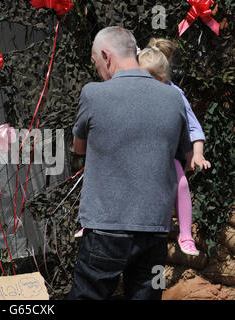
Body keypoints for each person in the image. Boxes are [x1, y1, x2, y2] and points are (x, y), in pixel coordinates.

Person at [68, 26, 192, 300]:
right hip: (156, 233)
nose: (98, 69)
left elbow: (79, 149)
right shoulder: (174, 98)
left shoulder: (93, 94)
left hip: (105, 230)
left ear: (106, 56)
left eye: (96, 62)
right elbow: (185, 155)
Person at [137, 41, 211, 256]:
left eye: (156, 79)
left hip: (167, 155)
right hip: (139, 154)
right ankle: (95, 224)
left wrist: (197, 153)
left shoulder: (174, 93)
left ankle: (186, 235)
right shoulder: (133, 92)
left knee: (180, 182)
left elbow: (193, 126)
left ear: (164, 77)